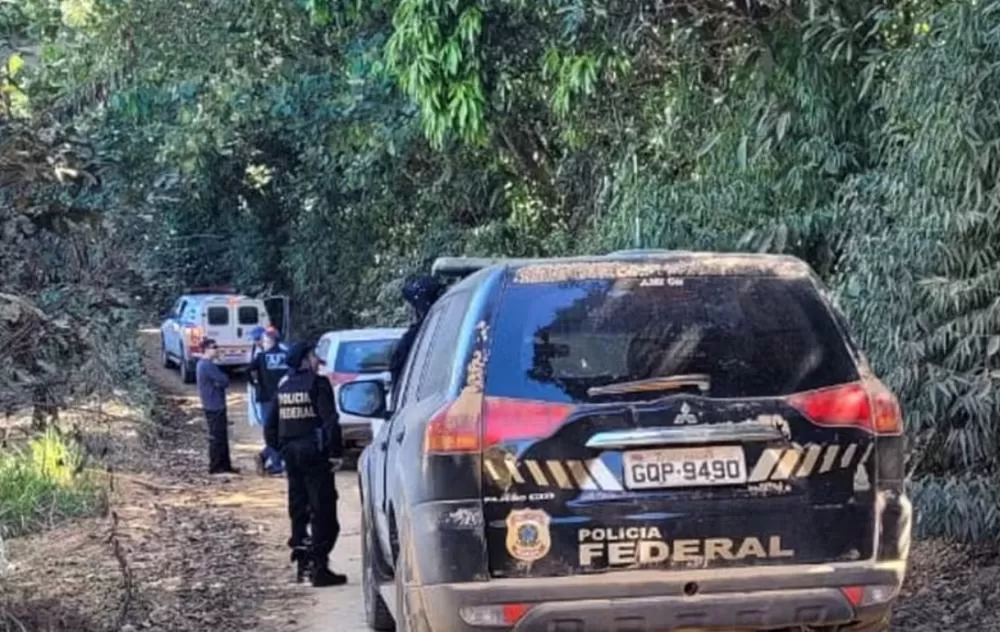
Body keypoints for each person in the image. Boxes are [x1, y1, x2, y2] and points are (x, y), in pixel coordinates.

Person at [264, 341, 346, 587]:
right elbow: (330, 421)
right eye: (312, 356)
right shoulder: (318, 384)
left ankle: (302, 565)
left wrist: (280, 451)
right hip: (315, 454)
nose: (316, 361)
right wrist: (335, 453)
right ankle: (320, 568)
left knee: (299, 508)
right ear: (303, 360)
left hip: (291, 453)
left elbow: (270, 427)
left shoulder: (285, 387)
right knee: (323, 511)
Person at [388, 274, 445, 400]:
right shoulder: (449, 329)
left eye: (411, 304)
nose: (408, 309)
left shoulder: (414, 339)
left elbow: (398, 381)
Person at [196, 339, 239, 475]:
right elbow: (224, 380)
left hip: (216, 404)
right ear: (206, 350)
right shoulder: (206, 365)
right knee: (216, 437)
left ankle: (225, 465)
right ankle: (215, 467)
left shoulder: (208, 365)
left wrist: (220, 382)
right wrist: (220, 382)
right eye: (213, 347)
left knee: (222, 436)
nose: (216, 349)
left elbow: (222, 381)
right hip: (213, 406)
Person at [249, 327, 289, 475]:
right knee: (282, 430)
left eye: (265, 341)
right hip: (284, 397)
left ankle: (273, 462)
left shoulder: (261, 358)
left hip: (266, 398)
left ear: (271, 341)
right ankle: (269, 458)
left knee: (271, 431)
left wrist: (256, 384)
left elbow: (248, 371)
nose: (263, 343)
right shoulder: (287, 355)